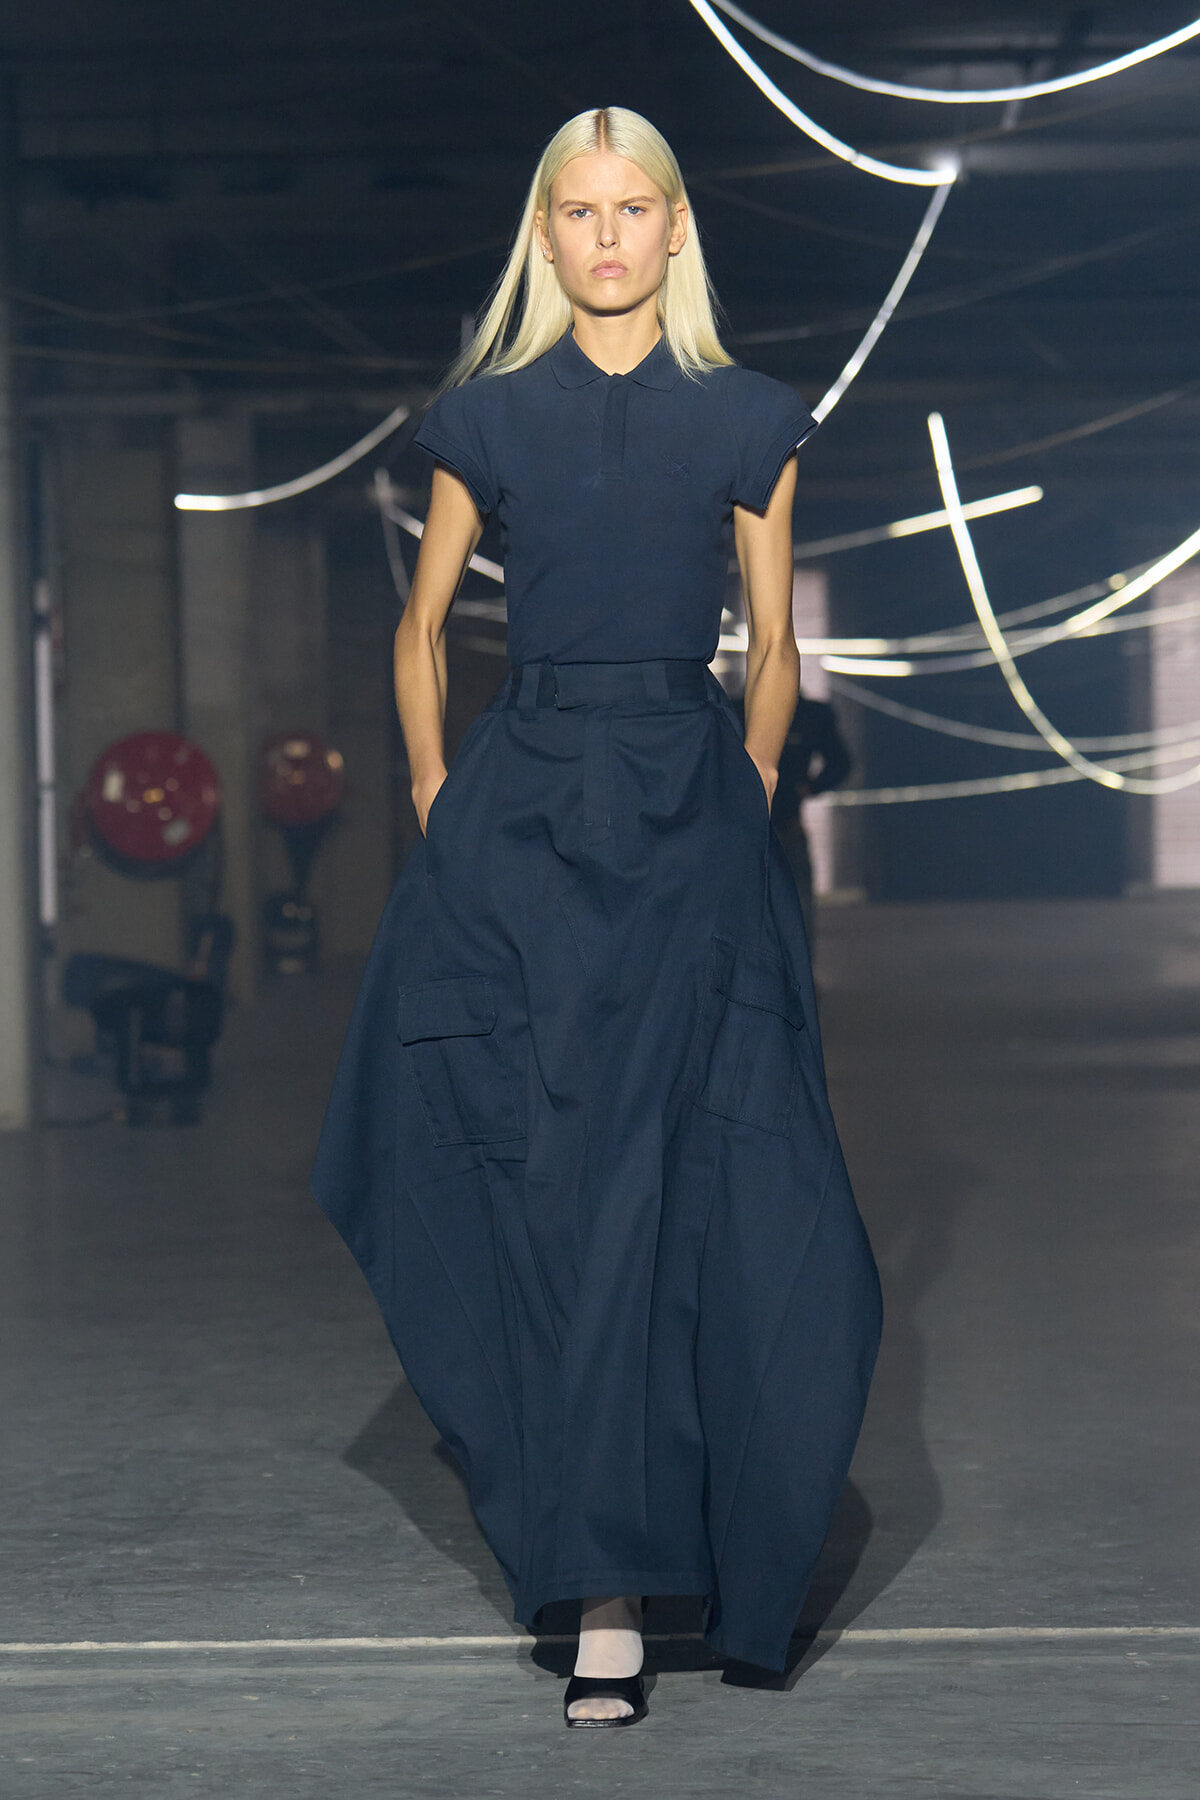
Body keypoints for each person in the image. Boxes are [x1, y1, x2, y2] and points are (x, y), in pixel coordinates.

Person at [312, 106, 881, 1730]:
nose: (610, 235)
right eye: (580, 211)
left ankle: (692, 1546)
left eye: (635, 209)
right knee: (546, 1180)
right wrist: (438, 789)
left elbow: (773, 638)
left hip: (690, 811)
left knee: (715, 1174)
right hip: (527, 812)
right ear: (546, 234)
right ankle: (604, 1592)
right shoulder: (485, 418)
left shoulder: (749, 418)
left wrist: (748, 786)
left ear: (677, 229)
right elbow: (422, 626)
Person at [733, 692, 853, 946]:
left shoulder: (808, 714)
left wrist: (808, 788)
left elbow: (841, 762)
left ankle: (797, 970)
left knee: (797, 916)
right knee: (743, 917)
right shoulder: (735, 709)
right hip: (742, 830)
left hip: (785, 825)